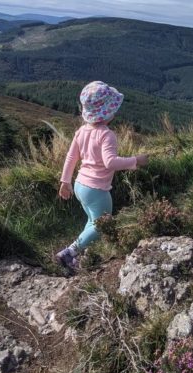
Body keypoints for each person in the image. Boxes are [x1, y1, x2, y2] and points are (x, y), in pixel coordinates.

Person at [54, 81, 148, 271]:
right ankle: (69, 253)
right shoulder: (107, 135)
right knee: (103, 224)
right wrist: (135, 161)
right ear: (108, 112)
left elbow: (71, 157)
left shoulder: (81, 131)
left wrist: (65, 182)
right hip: (97, 189)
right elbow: (110, 162)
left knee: (92, 221)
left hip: (80, 184)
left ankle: (74, 255)